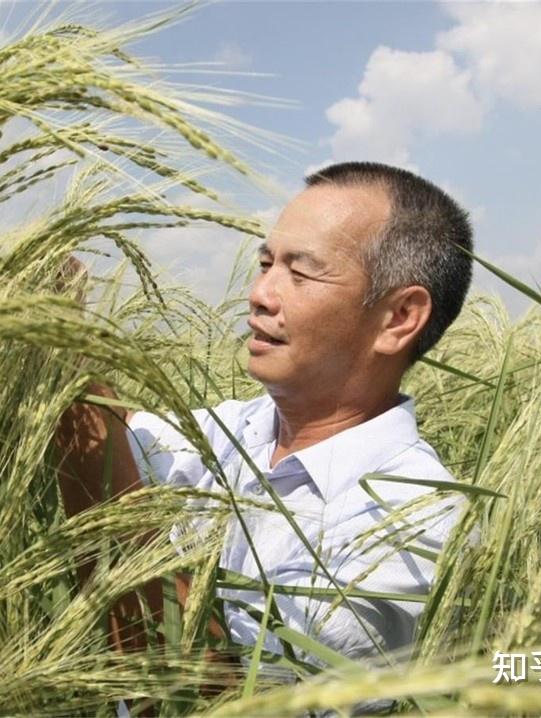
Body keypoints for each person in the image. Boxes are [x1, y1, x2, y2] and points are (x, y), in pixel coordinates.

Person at [55, 161, 473, 671]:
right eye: (265, 263)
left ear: (398, 318)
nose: (259, 295)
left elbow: (206, 703)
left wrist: (66, 363)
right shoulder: (236, 429)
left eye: (300, 272)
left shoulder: (413, 525)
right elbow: (114, 441)